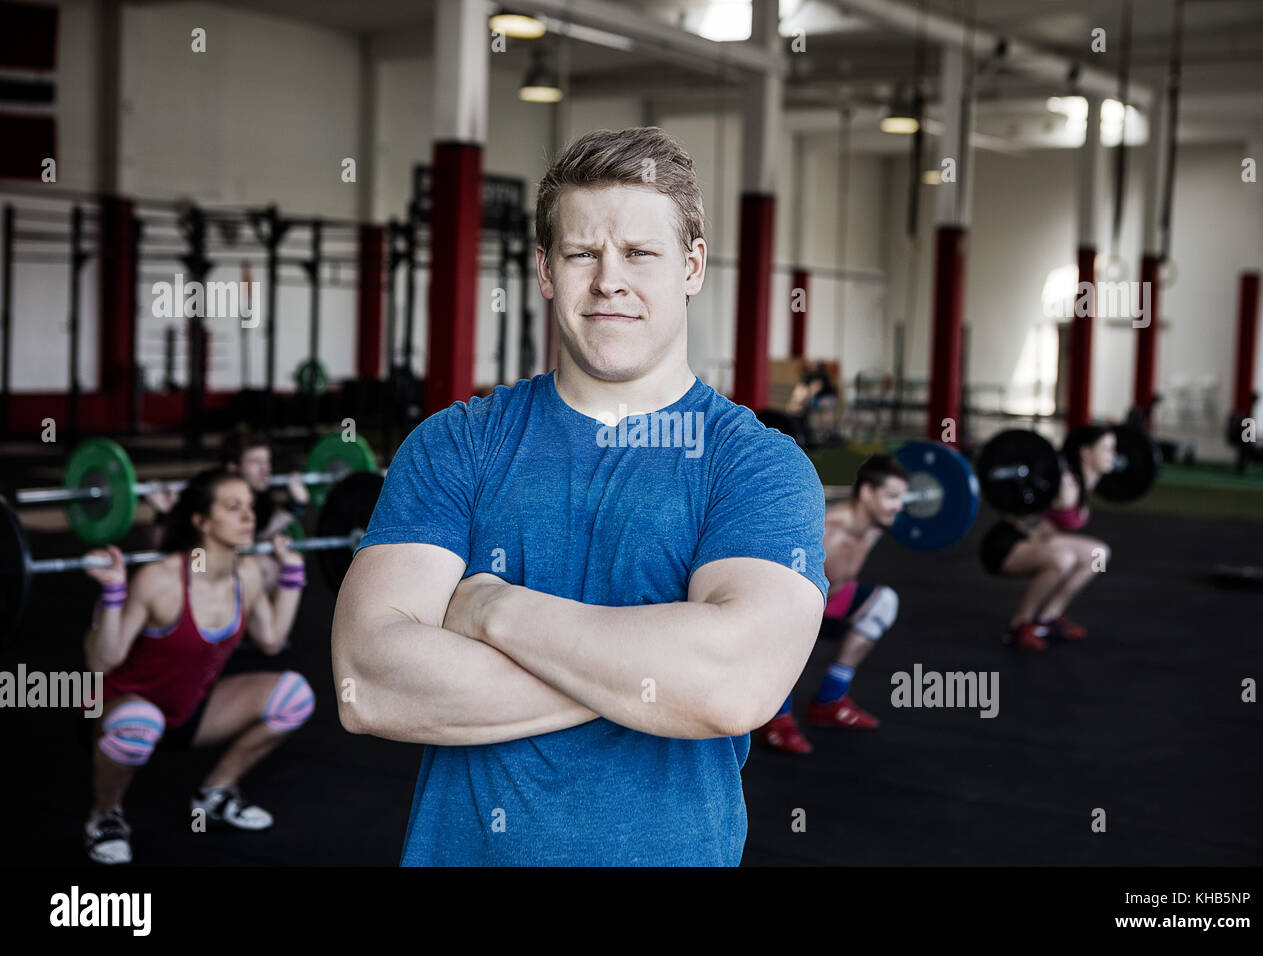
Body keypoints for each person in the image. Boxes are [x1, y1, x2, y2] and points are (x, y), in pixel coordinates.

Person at [332, 126, 829, 867]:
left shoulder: (756, 467)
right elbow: (366, 683)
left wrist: (491, 609)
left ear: (691, 267)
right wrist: (651, 678)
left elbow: (732, 685)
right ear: (543, 270)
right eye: (581, 254)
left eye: (638, 253)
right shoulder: (457, 444)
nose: (608, 281)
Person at [81, 468, 314, 865]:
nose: (248, 516)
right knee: (140, 721)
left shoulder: (250, 574)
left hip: (192, 709)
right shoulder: (160, 580)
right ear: (201, 521)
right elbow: (102, 662)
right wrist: (113, 592)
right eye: (232, 507)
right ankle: (105, 815)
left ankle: (215, 794)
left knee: (296, 696)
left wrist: (292, 575)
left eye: (249, 506)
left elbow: (272, 641)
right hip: (123, 707)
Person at [755, 454, 907, 754]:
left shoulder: (875, 525)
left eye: (901, 497)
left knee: (884, 602)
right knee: (789, 620)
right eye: (891, 497)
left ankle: (829, 700)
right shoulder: (827, 533)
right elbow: (779, 594)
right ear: (866, 493)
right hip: (787, 609)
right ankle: (775, 718)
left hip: (829, 603)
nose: (899, 506)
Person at [978, 425, 1116, 650]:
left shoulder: (1084, 483)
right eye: (1108, 449)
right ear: (1086, 452)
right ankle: (1019, 626)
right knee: (1062, 559)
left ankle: (1049, 618)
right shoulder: (1063, 483)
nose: (1114, 456)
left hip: (1040, 545)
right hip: (1006, 546)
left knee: (1099, 555)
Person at [146, 427, 310, 597]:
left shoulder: (260, 497)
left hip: (226, 566)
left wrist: (296, 505)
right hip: (195, 562)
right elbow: (174, 542)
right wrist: (163, 514)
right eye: (255, 462)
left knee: (266, 567)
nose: (266, 470)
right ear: (233, 467)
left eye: (267, 461)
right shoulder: (208, 490)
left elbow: (261, 531)